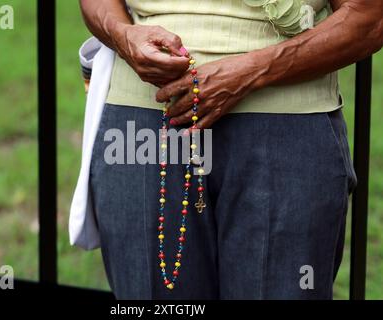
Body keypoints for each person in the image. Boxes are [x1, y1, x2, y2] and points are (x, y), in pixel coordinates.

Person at [78, 0, 382, 299]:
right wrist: (121, 33)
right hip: (142, 126)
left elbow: (369, 18)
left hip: (286, 128)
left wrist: (254, 70)